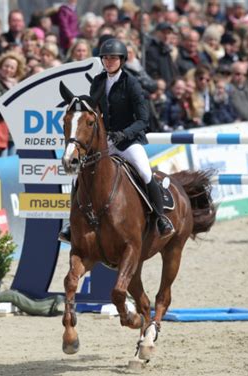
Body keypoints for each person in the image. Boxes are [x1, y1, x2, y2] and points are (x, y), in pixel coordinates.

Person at [59, 38, 174, 243]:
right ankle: (72, 224)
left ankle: (160, 218)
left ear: (122, 60)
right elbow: (93, 112)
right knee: (78, 177)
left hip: (129, 141)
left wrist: (124, 134)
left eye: (113, 58)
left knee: (144, 172)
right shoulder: (98, 81)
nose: (109, 61)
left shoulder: (132, 84)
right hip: (106, 142)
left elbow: (143, 120)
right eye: (106, 58)